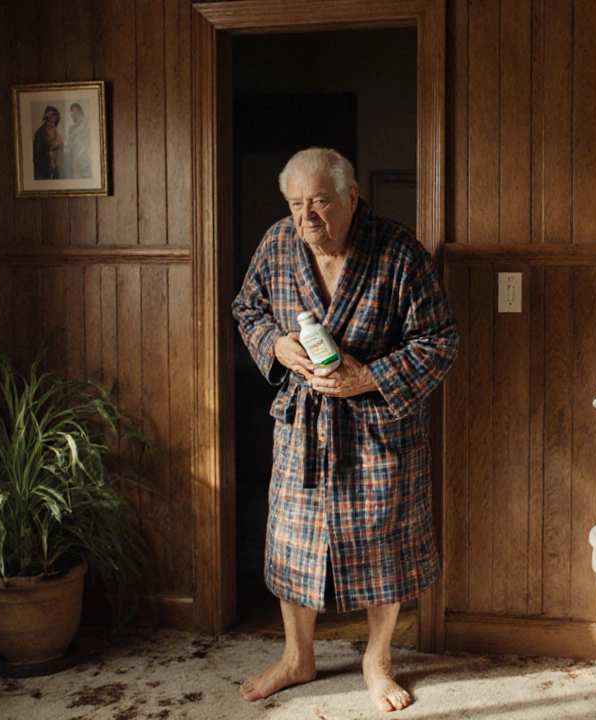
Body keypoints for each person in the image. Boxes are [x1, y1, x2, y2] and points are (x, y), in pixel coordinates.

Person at [231, 147, 459, 713]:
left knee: (385, 548)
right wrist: (278, 346)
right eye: (296, 204)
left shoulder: (399, 252)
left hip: (379, 427)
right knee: (293, 544)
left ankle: (377, 661)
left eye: (320, 203)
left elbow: (440, 341)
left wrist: (368, 377)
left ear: (352, 197)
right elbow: (247, 309)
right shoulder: (276, 245)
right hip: (303, 426)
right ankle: (296, 657)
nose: (307, 217)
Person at [61, 102, 92, 179]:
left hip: (84, 158)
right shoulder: (71, 128)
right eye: (72, 113)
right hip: (74, 158)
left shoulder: (85, 127)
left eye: (76, 112)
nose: (74, 115)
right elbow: (69, 144)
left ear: (81, 113)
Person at [32, 105, 63, 180]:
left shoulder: (54, 129)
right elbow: (37, 152)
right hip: (44, 168)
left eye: (54, 115)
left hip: (55, 167)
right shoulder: (40, 132)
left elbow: (60, 145)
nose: (53, 117)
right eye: (50, 115)